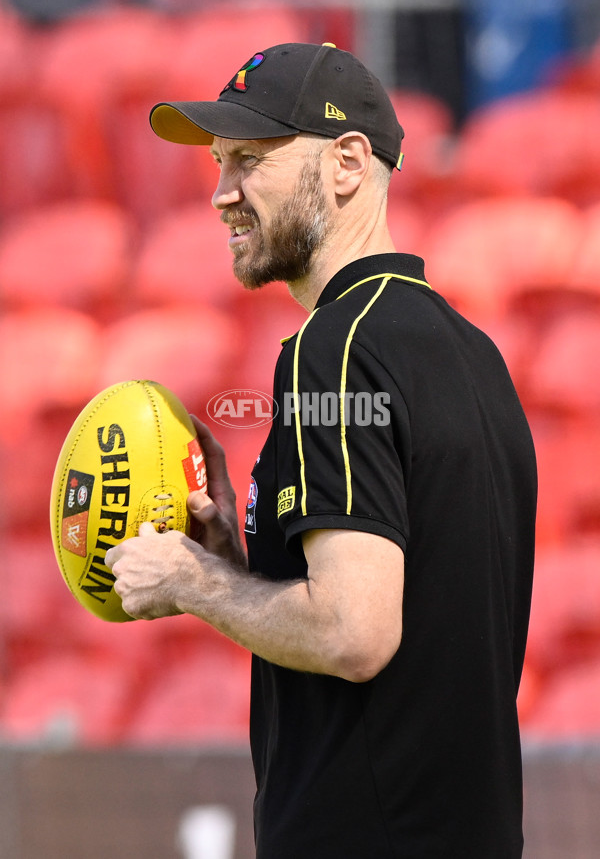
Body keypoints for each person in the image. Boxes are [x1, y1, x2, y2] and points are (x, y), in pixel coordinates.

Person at [105, 42, 537, 858]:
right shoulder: (473, 352)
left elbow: (353, 632)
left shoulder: (334, 350)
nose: (221, 194)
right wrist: (242, 560)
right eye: (218, 162)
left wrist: (194, 581)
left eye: (250, 160)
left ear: (346, 162)